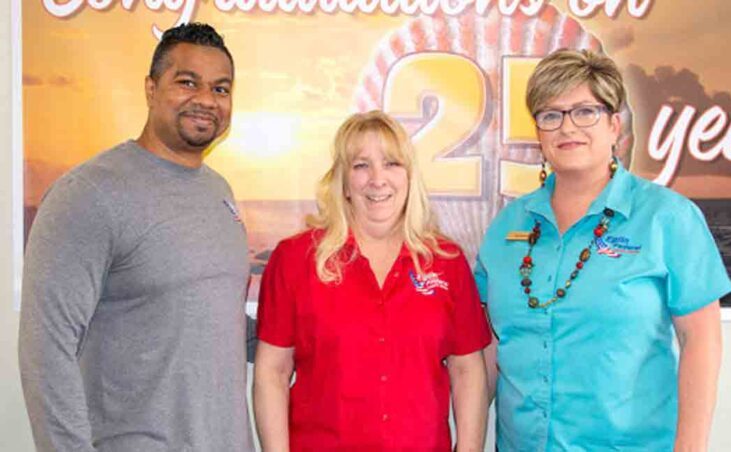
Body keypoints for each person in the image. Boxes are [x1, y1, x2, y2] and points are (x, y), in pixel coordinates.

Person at [475, 49, 731, 451]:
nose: (567, 127)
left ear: (615, 125)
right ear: (538, 134)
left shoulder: (667, 218)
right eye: (550, 115)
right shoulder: (507, 227)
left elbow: (701, 340)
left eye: (584, 111)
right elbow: (490, 350)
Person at [19, 23, 254, 451]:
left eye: (221, 89)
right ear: (150, 89)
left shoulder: (218, 191)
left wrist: (309, 337)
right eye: (187, 82)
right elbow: (46, 351)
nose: (206, 99)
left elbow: (213, 317)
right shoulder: (90, 193)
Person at [252, 110, 492, 451]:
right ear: (343, 182)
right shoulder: (294, 259)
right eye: (361, 165)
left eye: (392, 163)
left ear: (410, 176)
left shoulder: (446, 262)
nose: (377, 179)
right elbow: (272, 371)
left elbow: (467, 370)